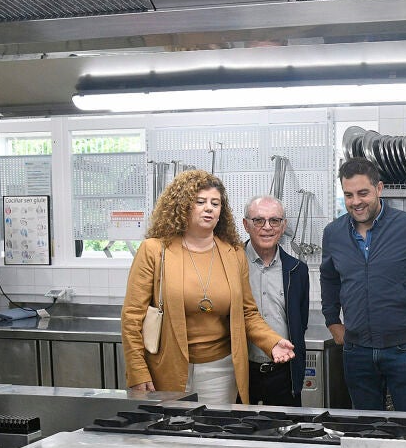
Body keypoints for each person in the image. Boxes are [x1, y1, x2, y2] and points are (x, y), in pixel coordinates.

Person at [121, 170, 295, 404]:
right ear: (183, 206)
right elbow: (132, 317)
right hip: (166, 368)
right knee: (172, 427)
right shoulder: (154, 250)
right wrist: (137, 371)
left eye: (215, 203)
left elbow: (247, 313)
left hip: (221, 372)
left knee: (214, 427)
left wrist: (271, 341)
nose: (209, 208)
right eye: (200, 202)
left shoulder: (233, 253)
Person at [321, 157, 406, 412]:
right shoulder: (333, 233)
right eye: (348, 195)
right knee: (365, 426)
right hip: (356, 350)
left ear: (379, 188)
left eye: (363, 193)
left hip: (405, 349)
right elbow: (329, 278)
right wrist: (332, 320)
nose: (356, 202)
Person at [242, 195, 309, 406]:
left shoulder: (297, 270)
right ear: (245, 225)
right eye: (258, 220)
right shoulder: (230, 264)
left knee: (286, 426)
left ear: (284, 225)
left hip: (283, 374)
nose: (267, 227)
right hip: (241, 372)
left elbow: (300, 323)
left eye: (274, 220)